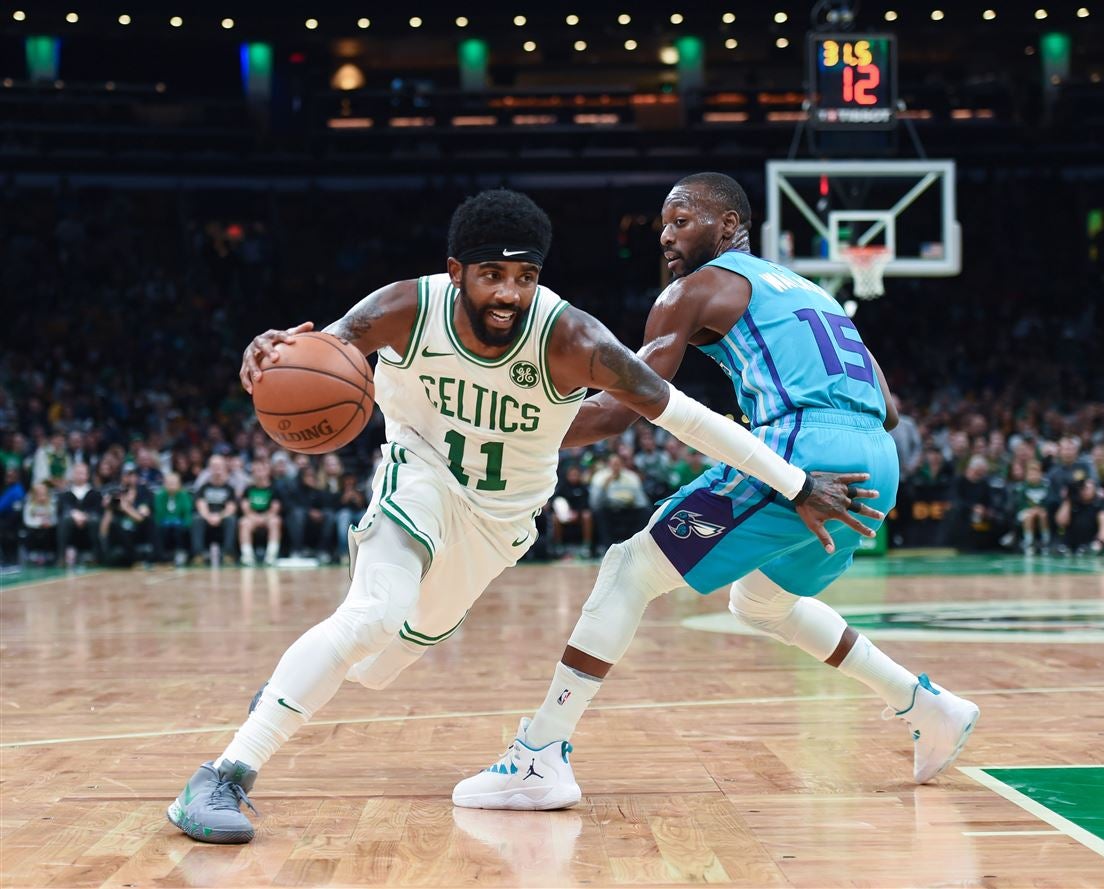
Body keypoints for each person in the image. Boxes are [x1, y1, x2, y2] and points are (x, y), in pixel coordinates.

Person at [167, 188, 878, 845]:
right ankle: (224, 774)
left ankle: (297, 680)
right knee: (374, 614)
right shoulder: (403, 309)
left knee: (378, 665)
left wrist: (792, 482)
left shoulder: (573, 337)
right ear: (455, 272)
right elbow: (320, 347)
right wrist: (266, 351)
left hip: (499, 524)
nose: (509, 293)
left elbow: (684, 416)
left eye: (524, 278)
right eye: (491, 276)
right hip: (418, 478)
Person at [452, 173, 979, 812]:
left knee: (628, 569)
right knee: (761, 605)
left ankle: (539, 754)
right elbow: (890, 408)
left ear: (729, 227)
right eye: (664, 226)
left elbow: (629, 404)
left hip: (804, 450)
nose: (668, 237)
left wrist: (512, 431)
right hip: (876, 459)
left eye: (682, 221)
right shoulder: (811, 292)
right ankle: (926, 704)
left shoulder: (693, 289)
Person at [237, 459, 282, 566]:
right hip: (252, 517)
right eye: (256, 470)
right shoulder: (248, 489)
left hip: (268, 517)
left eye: (262, 469)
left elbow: (275, 508)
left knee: (275, 521)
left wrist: (264, 518)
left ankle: (271, 556)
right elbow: (245, 507)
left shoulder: (274, 488)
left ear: (268, 471)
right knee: (244, 522)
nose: (259, 472)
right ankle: (247, 556)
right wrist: (254, 518)